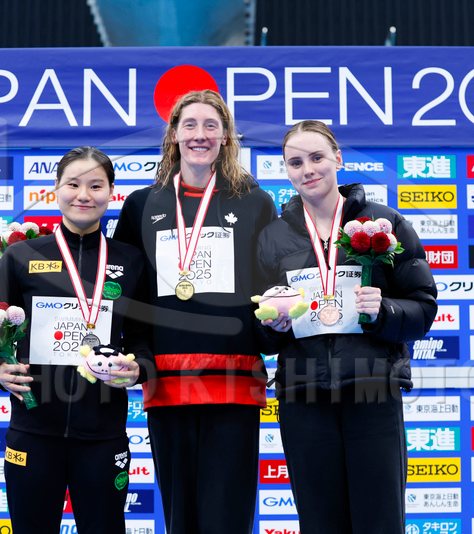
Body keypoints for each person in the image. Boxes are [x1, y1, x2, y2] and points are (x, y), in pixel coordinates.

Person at [256, 120, 438, 534]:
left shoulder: (384, 223)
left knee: (380, 521)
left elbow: (423, 307)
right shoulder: (273, 237)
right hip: (302, 397)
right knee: (319, 522)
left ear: (337, 158)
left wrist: (385, 310)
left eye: (317, 157)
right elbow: (259, 329)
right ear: (286, 170)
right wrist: (273, 324)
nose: (308, 169)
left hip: (373, 392)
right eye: (296, 162)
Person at [113, 90, 277, 534]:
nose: (199, 135)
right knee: (180, 517)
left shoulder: (255, 201)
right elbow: (127, 293)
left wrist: (275, 329)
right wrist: (133, 356)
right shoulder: (141, 204)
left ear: (225, 137)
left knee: (228, 517)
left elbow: (271, 288)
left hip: (234, 381)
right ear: (173, 135)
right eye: (189, 125)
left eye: (210, 125)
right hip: (167, 382)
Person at [0, 146, 153, 533]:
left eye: (96, 185)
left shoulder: (130, 260)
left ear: (111, 192)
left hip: (103, 434)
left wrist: (139, 369)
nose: (84, 195)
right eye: (73, 184)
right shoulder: (20, 256)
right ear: (56, 188)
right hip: (32, 430)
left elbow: (143, 338)